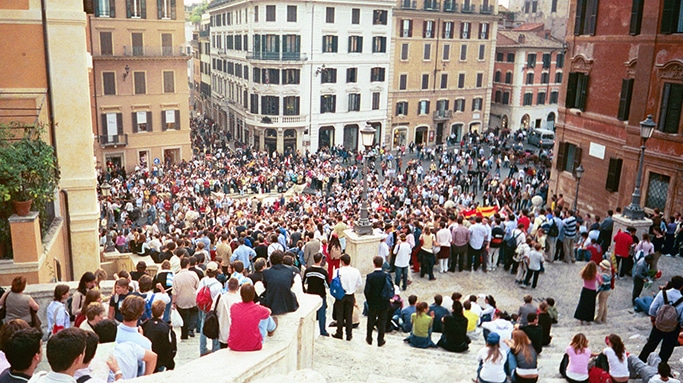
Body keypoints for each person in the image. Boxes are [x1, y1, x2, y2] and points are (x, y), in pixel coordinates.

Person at [638, 276, 683, 364]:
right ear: (682, 286)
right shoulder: (682, 299)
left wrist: (653, 321)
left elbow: (652, 309)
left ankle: (640, 362)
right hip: (673, 328)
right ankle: (660, 367)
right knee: (667, 349)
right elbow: (682, 318)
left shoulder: (663, 293)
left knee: (650, 345)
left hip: (659, 324)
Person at [228, 284, 273, 351]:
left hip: (234, 345)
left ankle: (272, 327)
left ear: (241, 295)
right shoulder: (258, 309)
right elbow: (269, 311)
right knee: (266, 317)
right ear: (253, 295)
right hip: (253, 345)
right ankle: (272, 328)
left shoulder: (234, 307)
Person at [332, 254, 362, 341]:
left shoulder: (338, 271)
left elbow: (334, 282)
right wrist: (352, 288)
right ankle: (349, 334)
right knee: (349, 315)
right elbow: (359, 283)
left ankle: (339, 332)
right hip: (350, 295)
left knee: (340, 315)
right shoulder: (356, 271)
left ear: (342, 262)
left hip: (340, 295)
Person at [141, 300, 176, 372]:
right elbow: (171, 345)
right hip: (161, 360)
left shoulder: (145, 325)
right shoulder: (166, 327)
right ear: (163, 311)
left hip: (147, 357)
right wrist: (169, 362)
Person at [196, 261, 223, 356]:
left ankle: (202, 348)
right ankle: (215, 348)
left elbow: (197, 293)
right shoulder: (218, 285)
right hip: (213, 308)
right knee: (215, 326)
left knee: (203, 326)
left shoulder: (203, 281)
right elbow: (218, 298)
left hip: (203, 307)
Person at [364, 256, 391, 347]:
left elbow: (366, 291)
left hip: (373, 303)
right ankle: (380, 340)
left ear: (374, 264)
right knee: (382, 322)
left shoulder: (370, 276)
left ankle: (369, 338)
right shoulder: (386, 276)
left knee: (370, 320)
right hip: (384, 302)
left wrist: (369, 301)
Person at [262, 251, 299, 315]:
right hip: (287, 301)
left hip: (272, 301)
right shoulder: (290, 270)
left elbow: (266, 286)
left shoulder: (266, 272)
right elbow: (290, 284)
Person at [172, 257, 199, 340]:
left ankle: (184, 334)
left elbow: (174, 291)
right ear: (188, 265)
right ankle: (191, 328)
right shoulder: (193, 274)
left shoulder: (176, 277)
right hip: (192, 298)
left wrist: (174, 302)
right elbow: (197, 286)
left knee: (183, 317)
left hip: (181, 299)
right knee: (193, 313)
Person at [216, 278, 242, 348]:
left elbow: (216, 311)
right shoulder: (240, 299)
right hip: (236, 331)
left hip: (223, 329)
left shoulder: (221, 298)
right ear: (237, 287)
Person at [573, 261, 599, 325]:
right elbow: (600, 282)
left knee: (582, 304)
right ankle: (588, 319)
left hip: (585, 290)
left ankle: (581, 318)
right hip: (592, 291)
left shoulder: (584, 273)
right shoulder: (596, 275)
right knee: (590, 306)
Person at [594, 260, 614, 324]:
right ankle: (604, 318)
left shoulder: (603, 276)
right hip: (608, 290)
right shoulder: (609, 273)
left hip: (604, 291)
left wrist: (596, 292)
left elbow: (601, 285)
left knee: (601, 305)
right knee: (604, 304)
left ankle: (598, 318)